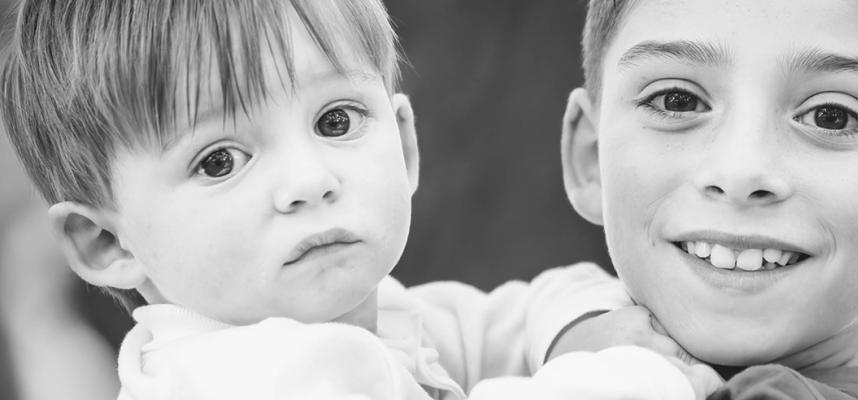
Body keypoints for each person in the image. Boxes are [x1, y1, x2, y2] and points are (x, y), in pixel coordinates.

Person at [0, 0, 693, 398]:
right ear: (108, 243)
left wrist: (577, 330)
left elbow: (512, 313)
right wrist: (632, 374)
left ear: (404, 143)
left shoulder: (373, 314)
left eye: (336, 121)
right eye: (219, 161)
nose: (309, 180)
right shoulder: (241, 380)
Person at [554, 0, 858, 398]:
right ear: (592, 155)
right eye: (677, 101)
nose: (740, 171)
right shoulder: (527, 327)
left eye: (831, 116)